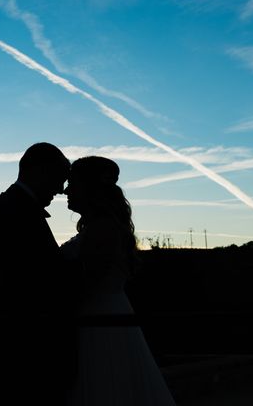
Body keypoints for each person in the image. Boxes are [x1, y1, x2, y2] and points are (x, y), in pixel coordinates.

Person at [60, 156, 177, 406]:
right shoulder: (99, 227)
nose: (66, 190)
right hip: (106, 314)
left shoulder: (102, 229)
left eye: (73, 183)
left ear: (90, 188)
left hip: (99, 320)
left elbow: (85, 282)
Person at [0, 142, 75, 406]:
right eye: (59, 179)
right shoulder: (15, 209)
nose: (61, 189)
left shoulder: (15, 205)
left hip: (25, 344)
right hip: (26, 346)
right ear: (40, 171)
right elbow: (29, 280)